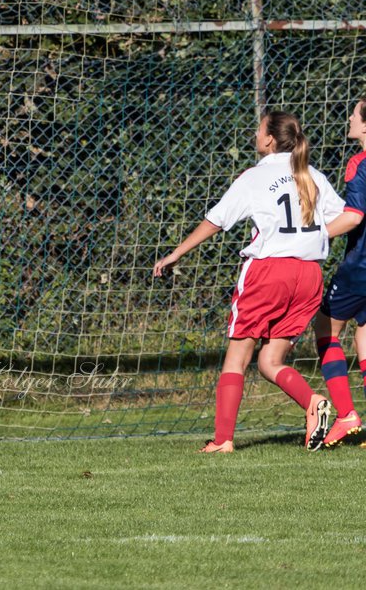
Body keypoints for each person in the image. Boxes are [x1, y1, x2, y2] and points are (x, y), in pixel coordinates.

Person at [154, 110, 347, 453]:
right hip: (308, 275)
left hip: (269, 272)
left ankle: (223, 440)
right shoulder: (311, 173)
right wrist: (312, 239)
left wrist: (175, 254)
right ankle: (313, 402)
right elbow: (344, 216)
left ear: (270, 139)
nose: (255, 134)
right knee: (270, 361)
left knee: (237, 358)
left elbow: (216, 220)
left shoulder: (255, 177)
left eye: (259, 129)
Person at [312, 97, 366, 446]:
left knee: (324, 326)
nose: (349, 117)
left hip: (361, 266)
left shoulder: (360, 163)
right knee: (364, 334)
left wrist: (312, 235)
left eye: (356, 113)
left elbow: (355, 215)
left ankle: (346, 415)